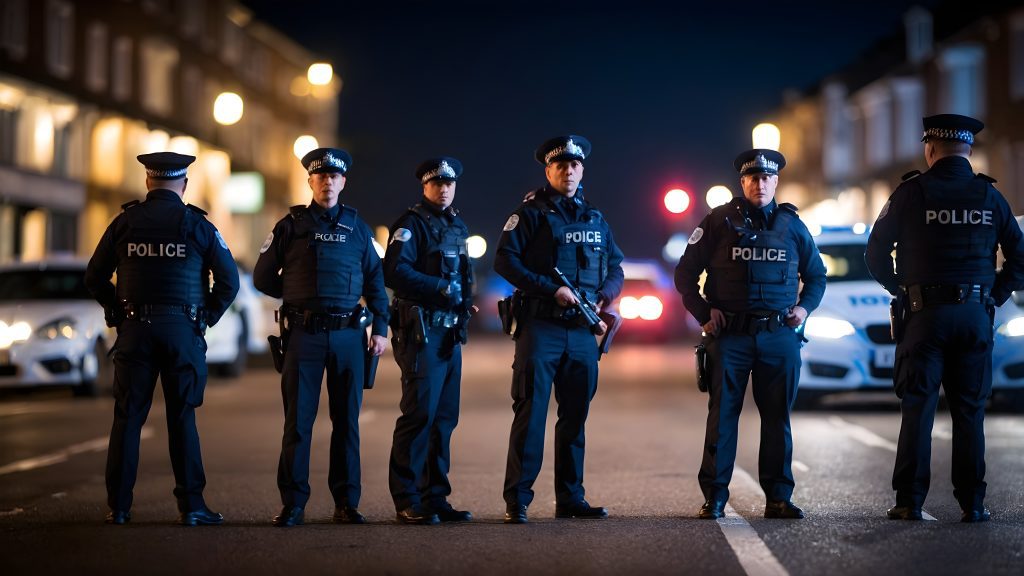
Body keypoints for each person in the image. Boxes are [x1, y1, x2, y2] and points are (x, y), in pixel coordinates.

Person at [865, 114, 1024, 523]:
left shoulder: (911, 193)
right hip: (974, 315)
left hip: (925, 316)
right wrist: (994, 296)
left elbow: (875, 253)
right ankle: (973, 503)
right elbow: (1020, 259)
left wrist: (901, 288)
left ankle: (909, 502)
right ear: (968, 149)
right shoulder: (990, 197)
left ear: (930, 149)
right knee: (969, 411)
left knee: (918, 407)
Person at [85, 152, 239, 526]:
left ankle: (118, 508)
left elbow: (94, 277)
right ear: (184, 185)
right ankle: (192, 507)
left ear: (148, 183)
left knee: (127, 419)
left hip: (135, 332)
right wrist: (204, 320)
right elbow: (229, 282)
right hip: (182, 333)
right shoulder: (198, 225)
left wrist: (116, 312)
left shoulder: (125, 222)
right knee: (182, 419)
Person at [675, 148, 826, 521]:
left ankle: (778, 498)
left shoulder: (793, 225)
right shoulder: (718, 221)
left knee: (778, 420)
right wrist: (702, 313)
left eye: (766, 178)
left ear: (776, 182)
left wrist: (803, 309)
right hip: (731, 337)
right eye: (753, 178)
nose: (760, 184)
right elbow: (685, 274)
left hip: (778, 335)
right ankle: (715, 498)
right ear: (742, 183)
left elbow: (817, 276)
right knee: (723, 417)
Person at [253, 147, 390, 527]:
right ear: (310, 181)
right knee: (298, 422)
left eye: (334, 177)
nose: (327, 182)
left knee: (347, 423)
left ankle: (346, 503)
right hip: (303, 335)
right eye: (320, 176)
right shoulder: (290, 225)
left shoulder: (359, 229)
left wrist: (380, 330)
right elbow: (262, 277)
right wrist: (296, 291)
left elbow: (376, 284)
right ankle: (293, 503)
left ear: (343, 182)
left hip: (348, 336)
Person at [494, 135, 624, 524]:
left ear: (582, 170)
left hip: (582, 332)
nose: (568, 171)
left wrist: (604, 296)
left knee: (574, 417)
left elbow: (616, 266)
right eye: (561, 165)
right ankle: (517, 500)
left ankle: (571, 499)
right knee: (531, 414)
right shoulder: (530, 213)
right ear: (548, 170)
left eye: (575, 165)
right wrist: (552, 289)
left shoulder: (595, 217)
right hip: (541, 327)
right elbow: (505, 261)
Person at [384, 157, 476, 525]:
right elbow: (394, 271)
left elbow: (464, 274)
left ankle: (435, 497)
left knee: (443, 419)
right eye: (436, 183)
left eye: (449, 184)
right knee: (419, 414)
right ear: (425, 186)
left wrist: (464, 304)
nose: (443, 189)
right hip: (421, 332)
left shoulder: (457, 225)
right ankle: (406, 498)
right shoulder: (411, 225)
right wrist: (438, 287)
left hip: (449, 332)